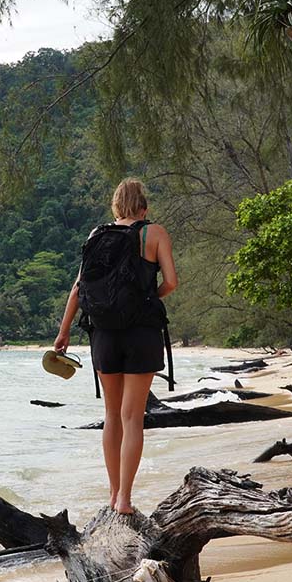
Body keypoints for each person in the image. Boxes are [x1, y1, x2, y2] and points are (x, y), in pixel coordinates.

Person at [53, 178, 178, 515]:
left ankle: (112, 495)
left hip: (104, 334)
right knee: (133, 417)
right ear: (143, 206)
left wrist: (63, 333)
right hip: (142, 332)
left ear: (115, 206)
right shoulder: (154, 234)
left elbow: (78, 290)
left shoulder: (97, 236)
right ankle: (125, 498)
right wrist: (149, 299)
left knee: (111, 416)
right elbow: (171, 282)